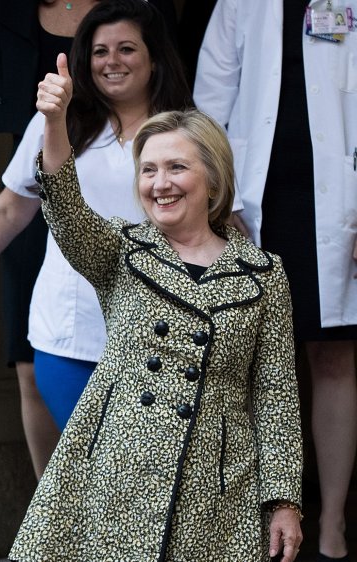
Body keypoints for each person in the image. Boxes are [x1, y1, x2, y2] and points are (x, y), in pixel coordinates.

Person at [7, 51, 303, 558]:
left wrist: (283, 502)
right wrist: (54, 123)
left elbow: (276, 398)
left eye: (176, 167)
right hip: (120, 473)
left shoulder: (264, 273)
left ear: (212, 177)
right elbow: (65, 207)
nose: (159, 183)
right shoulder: (123, 250)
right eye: (147, 170)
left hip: (219, 489)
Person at [0, 0, 177, 477]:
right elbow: (11, 208)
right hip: (70, 337)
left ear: (154, 58)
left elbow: (218, 223)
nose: (112, 61)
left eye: (127, 49)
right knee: (96, 474)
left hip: (158, 337)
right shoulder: (58, 124)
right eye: (99, 51)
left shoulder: (187, 130)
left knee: (138, 478)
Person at [194, 2, 357, 559]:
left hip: (337, 204)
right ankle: (255, 517)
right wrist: (223, 197)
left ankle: (332, 521)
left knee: (333, 356)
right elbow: (210, 102)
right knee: (251, 361)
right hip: (255, 204)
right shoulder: (240, 4)